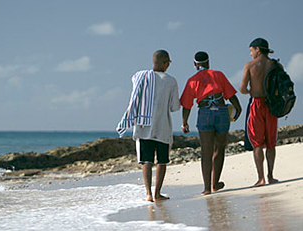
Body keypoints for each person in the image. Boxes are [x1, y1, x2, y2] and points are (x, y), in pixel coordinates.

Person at [117, 50, 180, 202]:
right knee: (162, 161)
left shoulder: (140, 76)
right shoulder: (170, 81)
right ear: (165, 62)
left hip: (143, 126)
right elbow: (174, 107)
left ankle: (148, 194)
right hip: (162, 127)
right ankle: (158, 193)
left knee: (146, 161)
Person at [180, 51, 242, 195]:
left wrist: (185, 122)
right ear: (208, 63)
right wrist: (238, 109)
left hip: (205, 113)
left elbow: (187, 105)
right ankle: (215, 183)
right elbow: (231, 95)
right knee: (219, 149)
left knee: (206, 151)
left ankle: (207, 188)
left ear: (195, 64)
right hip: (221, 112)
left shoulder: (192, 80)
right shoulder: (218, 75)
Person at [240, 38, 281, 187]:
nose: (250, 54)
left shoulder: (250, 65)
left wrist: (252, 90)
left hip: (257, 104)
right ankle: (271, 176)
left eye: (251, 50)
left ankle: (261, 178)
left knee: (257, 143)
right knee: (271, 143)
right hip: (272, 105)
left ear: (257, 49)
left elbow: (243, 88)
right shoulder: (276, 65)